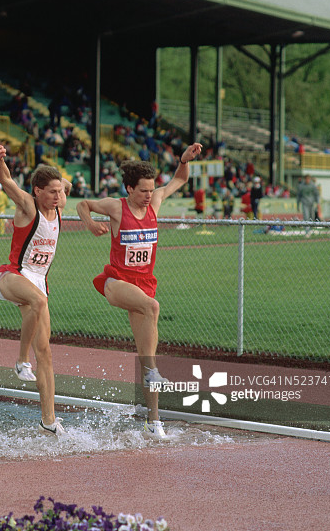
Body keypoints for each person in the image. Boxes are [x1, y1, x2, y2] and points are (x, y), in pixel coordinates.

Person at [76, 142, 203, 440]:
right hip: (116, 282)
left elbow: (180, 180)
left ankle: (153, 421)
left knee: (149, 359)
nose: (149, 195)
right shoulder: (116, 207)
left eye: (151, 190)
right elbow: (83, 204)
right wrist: (91, 223)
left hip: (144, 285)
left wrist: (184, 160)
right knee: (154, 307)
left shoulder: (156, 202)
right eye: (143, 190)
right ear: (130, 188)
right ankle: (152, 374)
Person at [0, 141, 71, 437]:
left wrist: (60, 183)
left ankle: (49, 420)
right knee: (38, 302)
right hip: (13, 275)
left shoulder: (59, 203)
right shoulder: (27, 206)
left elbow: (63, 184)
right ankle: (21, 359)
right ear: (37, 191)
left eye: (60, 191)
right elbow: (6, 180)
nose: (58, 196)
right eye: (52, 191)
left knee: (45, 352)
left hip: (38, 281)